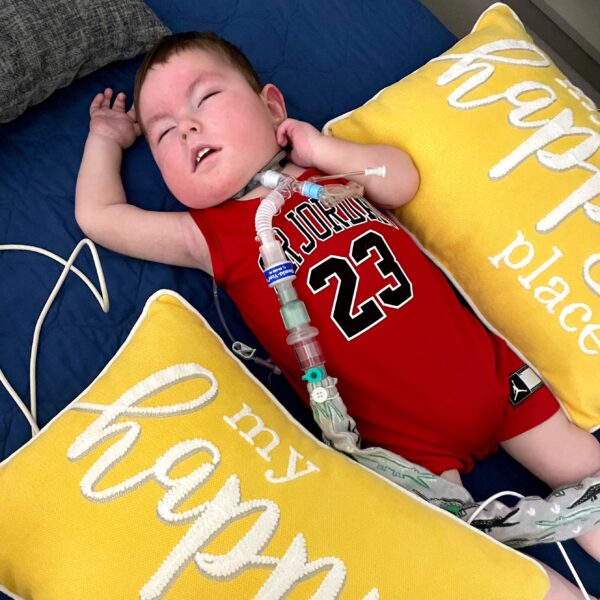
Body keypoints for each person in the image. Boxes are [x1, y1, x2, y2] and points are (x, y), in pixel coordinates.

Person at [76, 31, 599, 598]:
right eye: (162, 132)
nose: (188, 128)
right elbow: (101, 216)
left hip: (492, 377)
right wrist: (105, 138)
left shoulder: (332, 174)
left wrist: (327, 152)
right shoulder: (208, 236)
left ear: (272, 107)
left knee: (584, 473)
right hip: (401, 446)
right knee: (482, 572)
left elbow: (400, 178)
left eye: (205, 99)